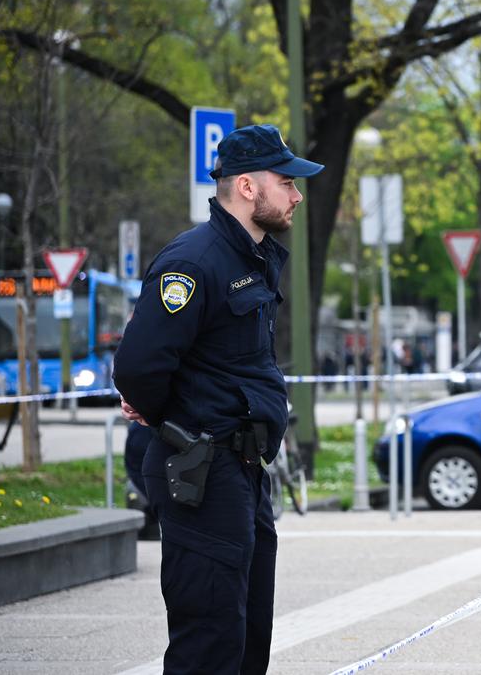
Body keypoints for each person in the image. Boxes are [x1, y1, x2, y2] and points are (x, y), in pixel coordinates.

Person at [113, 124, 323, 674]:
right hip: (200, 470)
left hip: (242, 470)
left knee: (246, 638)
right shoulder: (194, 260)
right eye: (287, 182)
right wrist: (165, 417)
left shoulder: (251, 259)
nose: (297, 195)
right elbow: (138, 367)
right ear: (248, 187)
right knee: (208, 643)